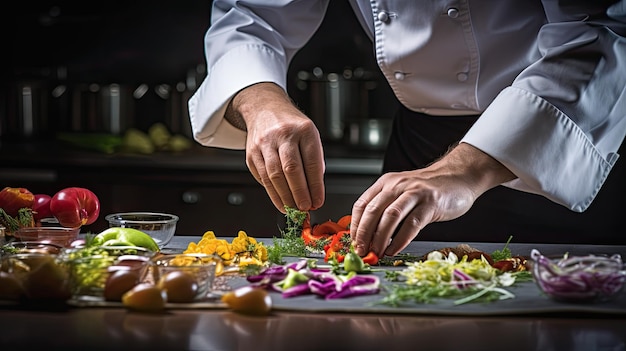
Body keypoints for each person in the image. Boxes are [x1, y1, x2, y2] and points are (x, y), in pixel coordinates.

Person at [188, 1, 626, 258]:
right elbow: (251, 13)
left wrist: (465, 169)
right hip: (417, 147)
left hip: (571, 140)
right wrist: (261, 102)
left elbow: (606, 29)